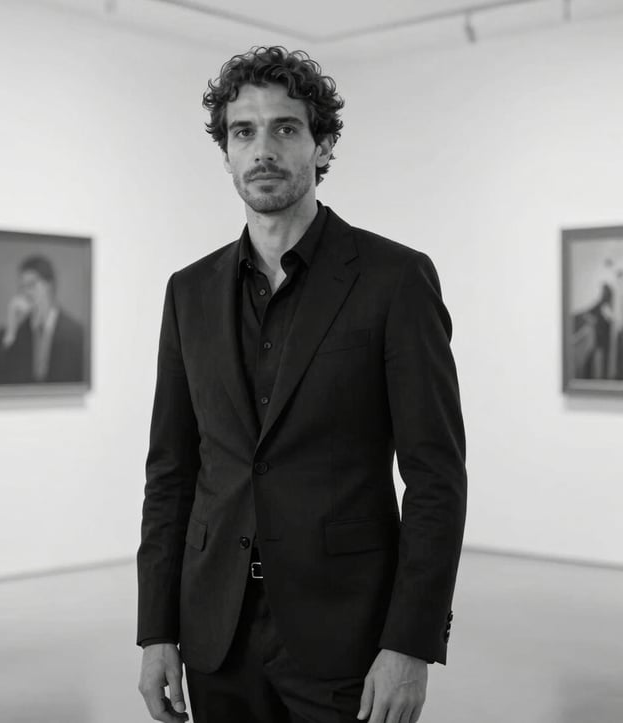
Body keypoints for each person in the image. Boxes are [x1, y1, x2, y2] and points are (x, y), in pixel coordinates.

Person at [137, 46, 467, 723]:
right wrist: (155, 629)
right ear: (225, 151)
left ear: (323, 144)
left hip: (347, 636)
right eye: (243, 131)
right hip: (216, 633)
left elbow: (436, 477)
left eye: (286, 128)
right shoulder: (188, 292)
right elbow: (171, 472)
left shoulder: (394, 281)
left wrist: (411, 642)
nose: (263, 149)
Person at [0, 255, 84, 385]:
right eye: (22, 287)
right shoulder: (16, 332)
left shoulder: (76, 333)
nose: (26, 292)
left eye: (31, 285)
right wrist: (11, 331)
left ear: (49, 285)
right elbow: (0, 379)